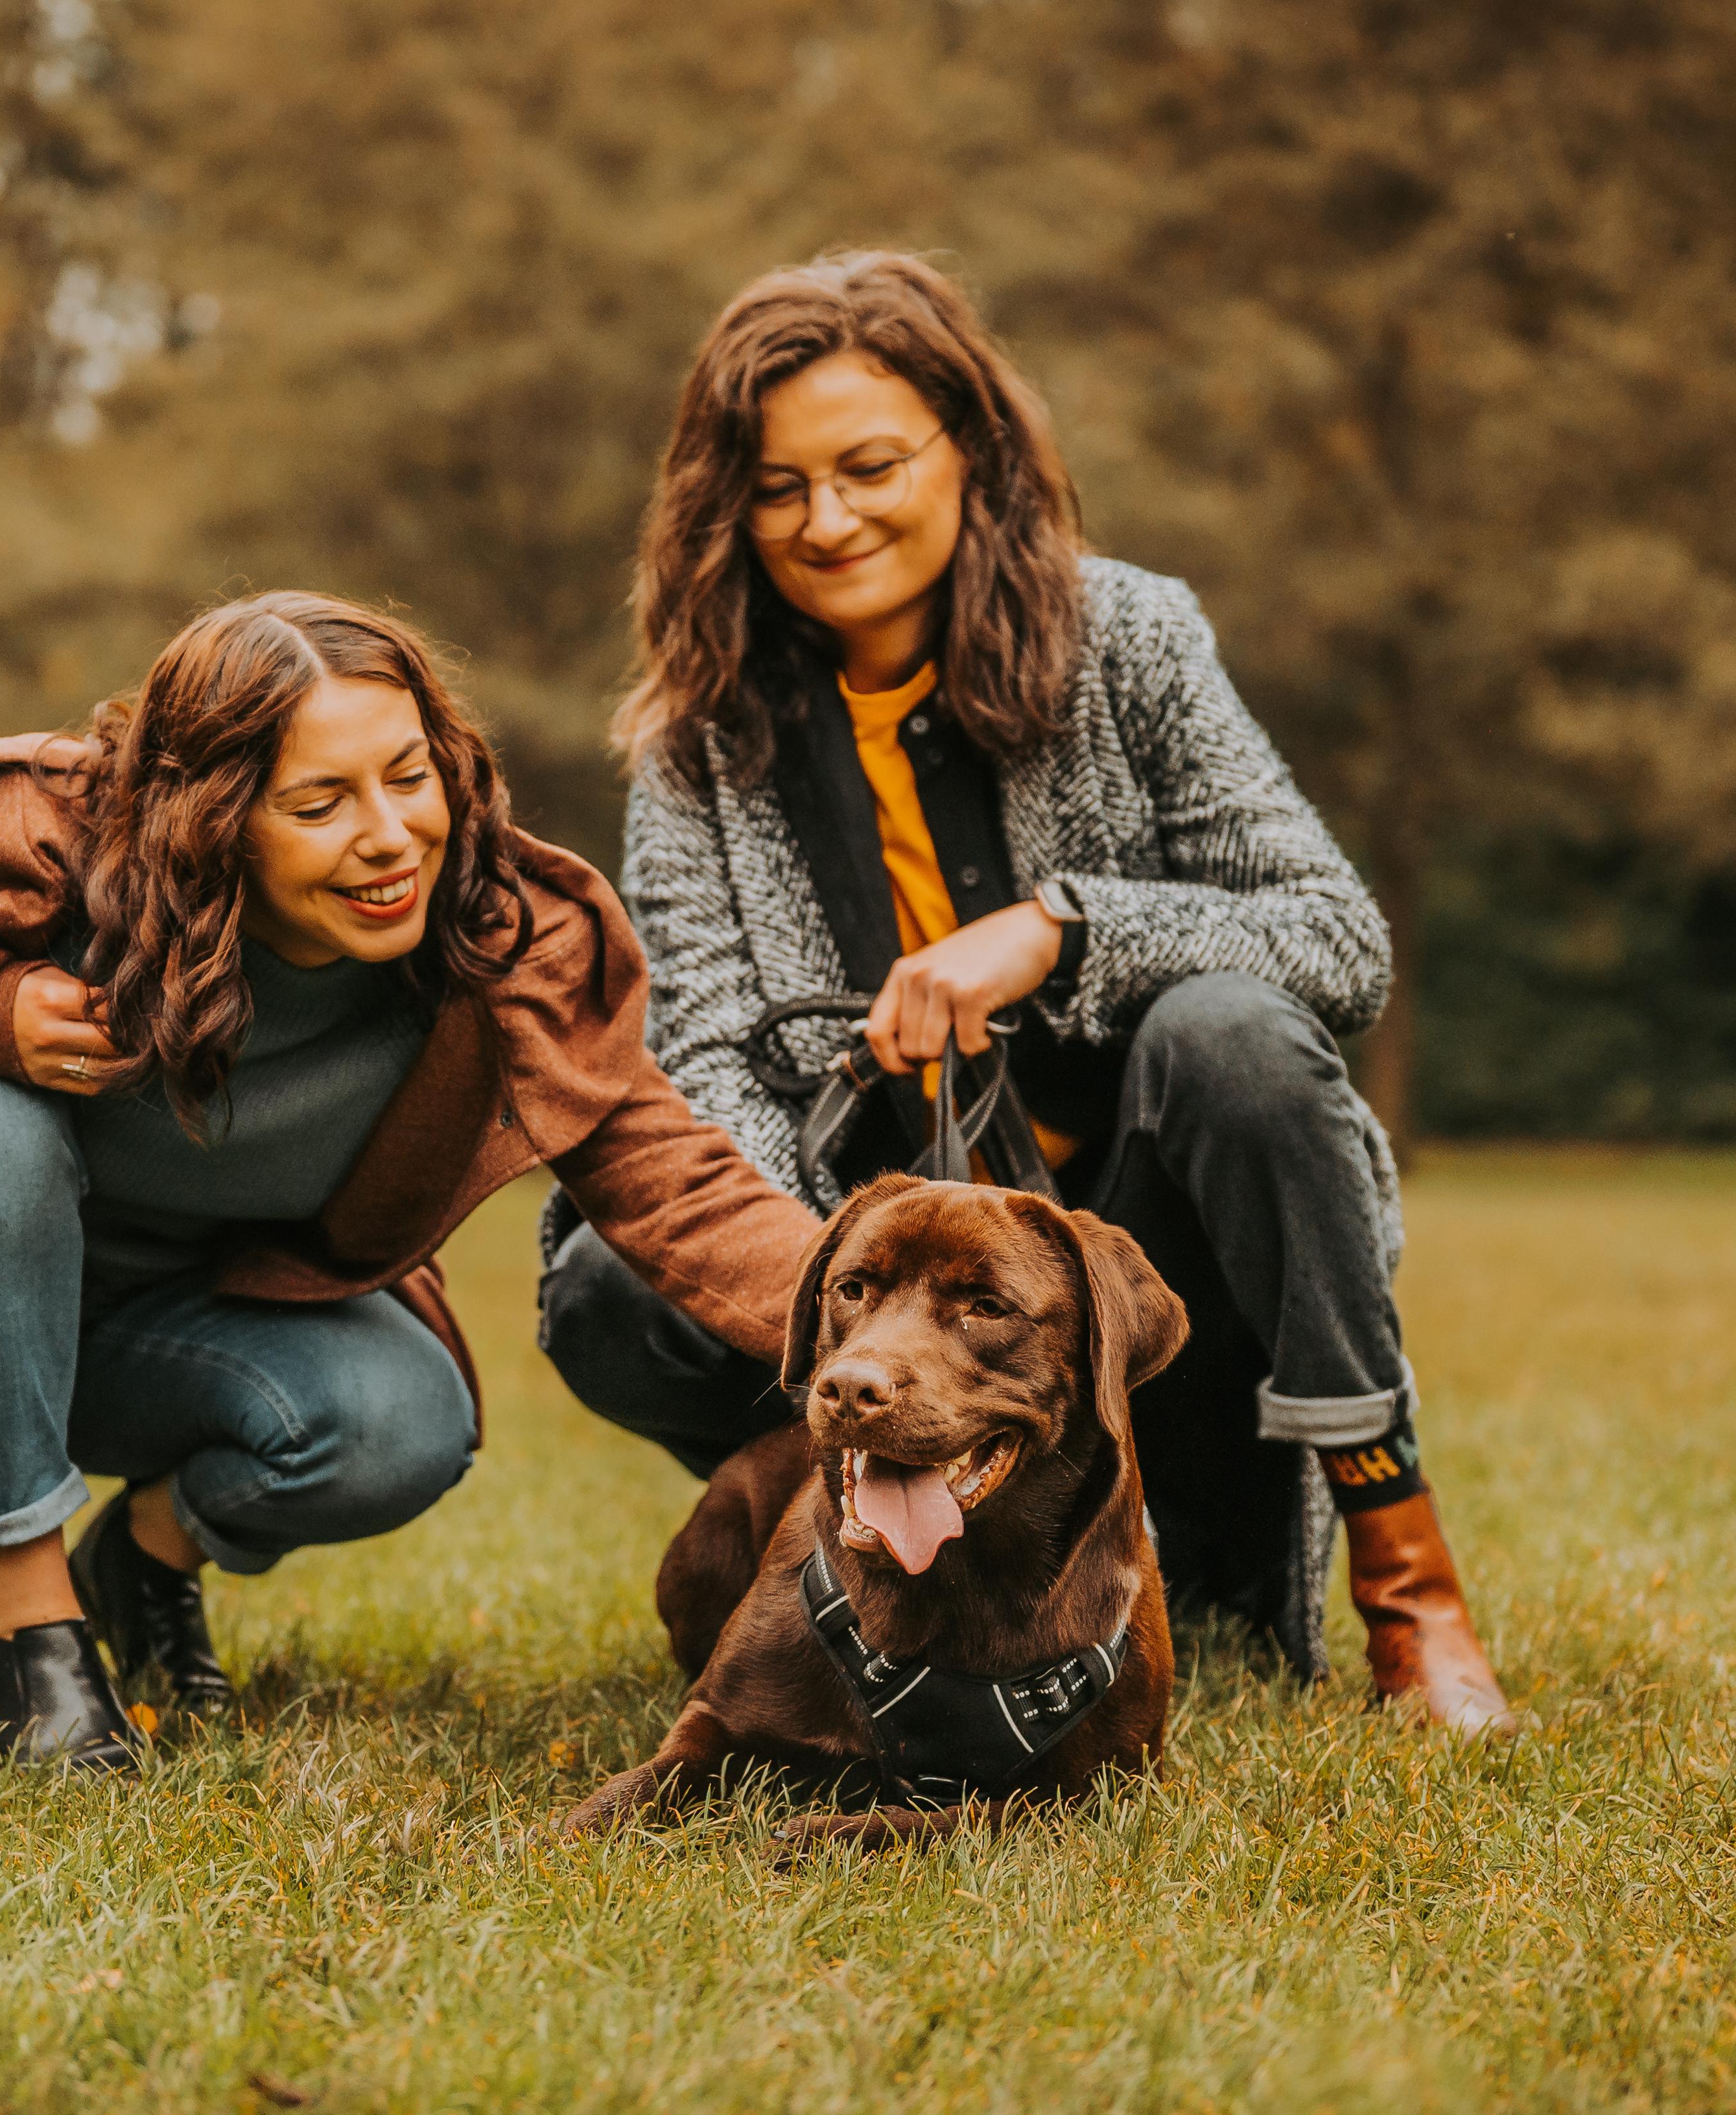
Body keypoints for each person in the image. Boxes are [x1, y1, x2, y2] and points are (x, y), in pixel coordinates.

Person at [538, 250, 1512, 1732]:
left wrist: (1056, 928)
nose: (827, 519)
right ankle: (886, 1542)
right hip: (890, 1303)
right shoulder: (696, 742)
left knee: (1233, 1034)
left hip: (1145, 1303)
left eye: (868, 466)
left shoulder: (1129, 636)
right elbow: (712, 1058)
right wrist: (865, 1324)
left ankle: (1403, 1580)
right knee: (609, 1277)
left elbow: (1333, 936)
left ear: (971, 451)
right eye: (778, 486)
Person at [0, 593, 818, 1770]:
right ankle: (33, 1652)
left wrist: (879, 1318)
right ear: (217, 819)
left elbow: (674, 1179)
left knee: (403, 1416)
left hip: (146, 1347)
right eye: (320, 803)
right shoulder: (57, 843)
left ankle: (138, 1565)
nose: (391, 835)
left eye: (409, 777)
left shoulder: (495, 943)